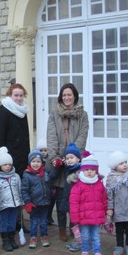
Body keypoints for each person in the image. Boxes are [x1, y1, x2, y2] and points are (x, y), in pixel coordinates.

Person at [46, 83, 89, 243]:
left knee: (74, 195)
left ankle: (74, 225)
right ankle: (62, 228)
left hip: (74, 162)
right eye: (64, 95)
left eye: (69, 95)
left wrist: (72, 156)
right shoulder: (54, 113)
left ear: (75, 96)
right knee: (59, 197)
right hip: (57, 162)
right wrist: (55, 157)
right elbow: (51, 136)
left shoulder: (83, 115)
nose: (67, 98)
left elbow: (82, 136)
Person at [69, 154, 108, 255]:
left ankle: (97, 253)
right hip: (84, 217)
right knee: (85, 236)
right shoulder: (78, 185)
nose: (89, 172)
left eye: (92, 169)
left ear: (96, 171)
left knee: (96, 236)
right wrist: (75, 217)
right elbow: (74, 202)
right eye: (87, 169)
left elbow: (104, 199)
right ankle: (85, 251)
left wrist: (106, 211)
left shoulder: (99, 184)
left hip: (96, 217)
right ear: (82, 170)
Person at [0, 146, 23, 252]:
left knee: (13, 222)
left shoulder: (16, 176)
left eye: (9, 164)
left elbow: (20, 189)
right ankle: (5, 240)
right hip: (3, 205)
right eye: (5, 165)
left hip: (15, 204)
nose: (8, 167)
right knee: (5, 222)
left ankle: (12, 238)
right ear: (0, 165)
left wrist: (22, 201)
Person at [0, 83, 30, 176]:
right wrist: (2, 157)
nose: (19, 98)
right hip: (9, 155)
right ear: (10, 95)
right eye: (16, 95)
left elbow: (26, 135)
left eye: (21, 95)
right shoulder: (4, 111)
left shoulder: (23, 110)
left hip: (22, 154)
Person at [21, 150, 52, 250]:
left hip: (44, 202)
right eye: (33, 161)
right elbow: (24, 191)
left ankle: (44, 236)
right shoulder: (27, 175)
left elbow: (48, 184)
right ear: (30, 162)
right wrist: (28, 202)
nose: (36, 164)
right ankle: (33, 237)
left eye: (38, 162)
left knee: (43, 221)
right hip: (34, 204)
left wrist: (51, 192)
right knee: (34, 221)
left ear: (42, 163)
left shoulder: (45, 173)